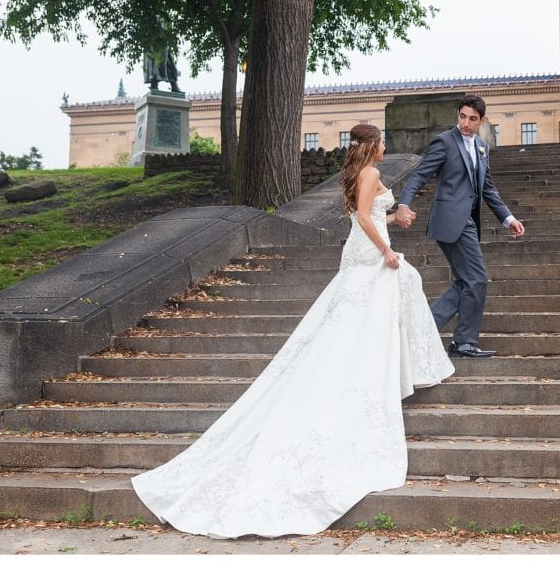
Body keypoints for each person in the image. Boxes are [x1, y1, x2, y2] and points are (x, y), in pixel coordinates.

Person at [131, 124, 454, 539]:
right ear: (374, 146)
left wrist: (396, 216)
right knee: (396, 283)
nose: (387, 146)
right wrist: (387, 248)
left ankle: (390, 368)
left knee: (392, 292)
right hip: (368, 254)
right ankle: (387, 372)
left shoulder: (361, 174)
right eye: (382, 141)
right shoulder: (371, 173)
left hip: (361, 252)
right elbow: (360, 217)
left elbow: (370, 214)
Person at [396, 95, 525, 359]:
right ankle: (462, 341)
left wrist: (508, 218)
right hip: (449, 220)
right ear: (458, 115)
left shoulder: (481, 147)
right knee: (476, 278)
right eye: (462, 116)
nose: (465, 123)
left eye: (472, 119)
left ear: (482, 121)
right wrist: (403, 204)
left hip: (468, 221)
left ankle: (425, 329)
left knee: (467, 282)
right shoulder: (444, 142)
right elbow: (420, 174)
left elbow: (487, 188)